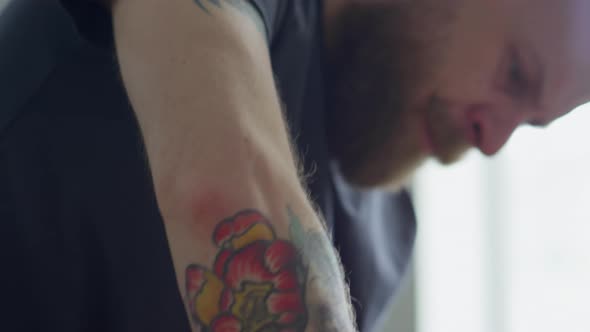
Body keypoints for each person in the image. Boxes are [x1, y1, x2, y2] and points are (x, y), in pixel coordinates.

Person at [0, 0, 588, 331]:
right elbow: (217, 198)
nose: (492, 141)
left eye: (530, 123)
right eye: (515, 75)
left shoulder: (387, 238)